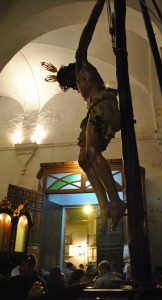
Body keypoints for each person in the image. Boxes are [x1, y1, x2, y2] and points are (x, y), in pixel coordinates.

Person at [41, 0, 126, 234]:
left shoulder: (81, 63)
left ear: (70, 72)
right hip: (94, 110)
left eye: (65, 81)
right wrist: (56, 75)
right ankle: (105, 204)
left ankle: (116, 200)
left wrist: (100, 4)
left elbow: (87, 30)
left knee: (91, 152)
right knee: (83, 160)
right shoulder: (80, 88)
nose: (68, 85)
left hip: (103, 105)